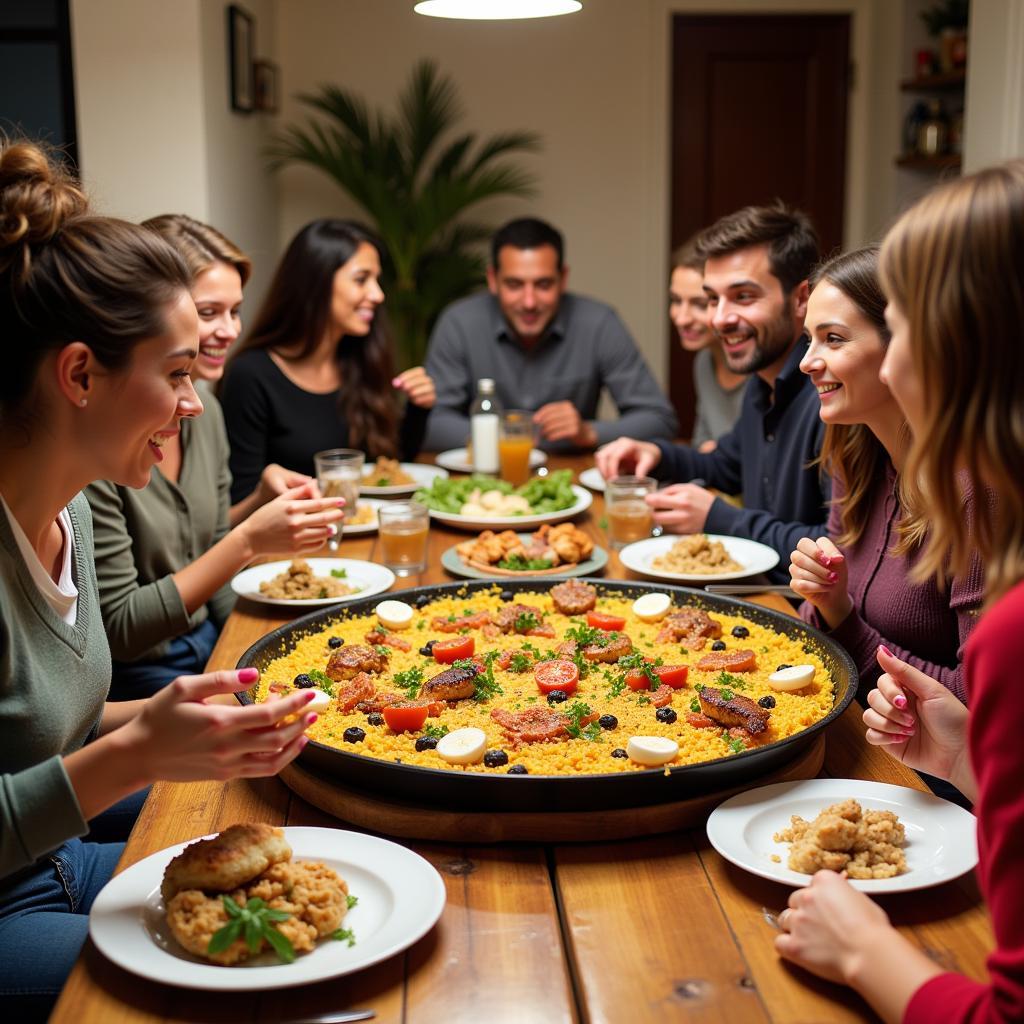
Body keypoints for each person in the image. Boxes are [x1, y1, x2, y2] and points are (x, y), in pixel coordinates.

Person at [0, 138, 317, 1021]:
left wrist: (172, 711)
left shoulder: (60, 515)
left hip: (56, 861)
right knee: (254, 983)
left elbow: (30, 733)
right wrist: (137, 753)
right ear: (79, 375)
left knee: (305, 881)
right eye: (176, 374)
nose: (193, 402)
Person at [773, 161, 1024, 1023]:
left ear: (968, 343)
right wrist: (958, 752)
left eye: (907, 318)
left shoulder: (981, 515)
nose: (807, 362)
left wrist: (864, 953)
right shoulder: (860, 456)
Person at [85, 214, 344, 699]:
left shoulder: (209, 413)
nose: (228, 331)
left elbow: (207, 548)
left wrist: (267, 647)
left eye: (235, 311)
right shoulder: (107, 442)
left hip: (209, 644)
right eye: (209, 313)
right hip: (144, 676)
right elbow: (120, 628)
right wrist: (249, 538)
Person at [787, 247, 983, 700]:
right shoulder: (854, 451)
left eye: (833, 339)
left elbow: (977, 701)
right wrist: (823, 602)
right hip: (853, 714)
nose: (807, 362)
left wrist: (842, 619)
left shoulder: (975, 489)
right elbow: (820, 617)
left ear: (906, 346)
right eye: (809, 339)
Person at [596, 202, 829, 580]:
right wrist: (655, 454)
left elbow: (836, 550)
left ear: (801, 298)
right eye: (712, 298)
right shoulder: (762, 382)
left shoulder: (828, 393)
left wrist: (718, 518)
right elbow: (725, 465)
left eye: (743, 296)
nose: (719, 319)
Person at [219, 218, 436, 504]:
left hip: (363, 537)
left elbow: (388, 472)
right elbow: (236, 507)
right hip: (293, 545)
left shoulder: (360, 361)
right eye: (361, 280)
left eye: (376, 280)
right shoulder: (251, 376)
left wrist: (418, 410)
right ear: (317, 282)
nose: (378, 294)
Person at [422, 217, 678, 453]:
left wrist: (589, 432)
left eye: (543, 285)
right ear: (492, 279)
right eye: (514, 285)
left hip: (574, 480)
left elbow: (659, 420)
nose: (529, 302)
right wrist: (507, 435)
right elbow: (430, 425)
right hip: (482, 481)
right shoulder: (459, 323)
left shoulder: (599, 323)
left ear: (563, 278)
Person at [670, 235, 746, 451]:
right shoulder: (704, 361)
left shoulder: (761, 370)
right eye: (676, 300)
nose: (682, 318)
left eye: (700, 304)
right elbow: (701, 443)